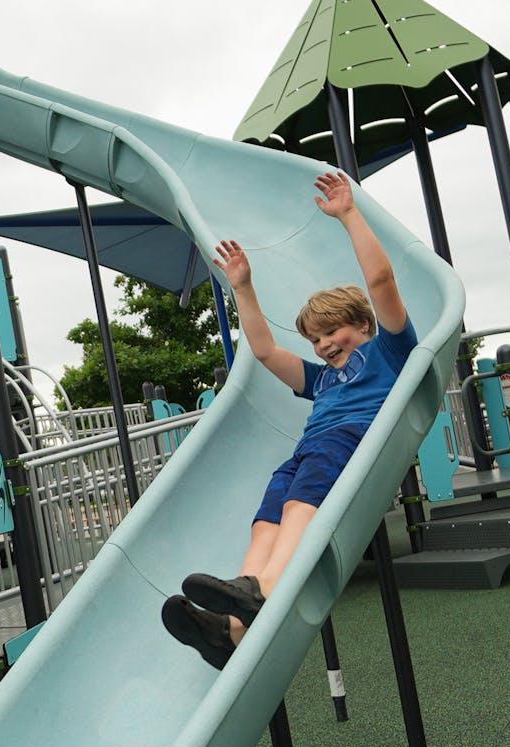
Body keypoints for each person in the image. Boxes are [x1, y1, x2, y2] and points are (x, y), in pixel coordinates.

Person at [161, 171, 417, 669]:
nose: (322, 344)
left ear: (363, 325)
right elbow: (262, 350)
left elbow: (382, 281)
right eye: (314, 339)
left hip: (346, 444)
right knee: (270, 511)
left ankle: (266, 588)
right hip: (307, 453)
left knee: (303, 492)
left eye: (331, 332)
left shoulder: (390, 352)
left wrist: (348, 214)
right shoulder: (321, 379)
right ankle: (229, 630)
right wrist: (244, 286)